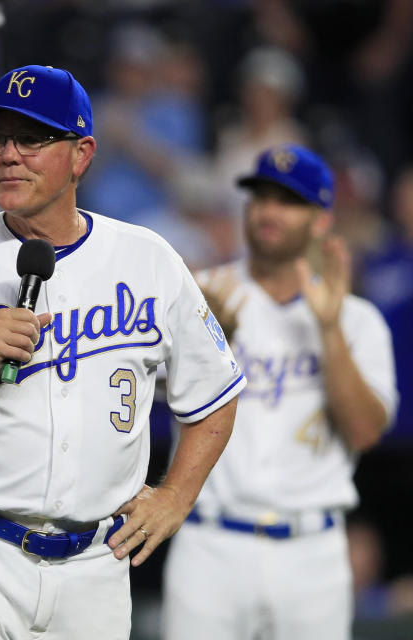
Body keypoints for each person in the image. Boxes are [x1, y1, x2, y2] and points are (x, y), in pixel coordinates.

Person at [0, 65, 244, 638]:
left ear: (81, 154)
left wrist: (175, 498)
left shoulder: (148, 260)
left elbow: (216, 393)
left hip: (96, 563)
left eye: (32, 139)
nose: (9, 155)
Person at [162, 145, 399, 640]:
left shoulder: (356, 319)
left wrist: (329, 330)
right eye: (261, 197)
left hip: (311, 552)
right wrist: (204, 347)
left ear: (319, 220)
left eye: (288, 201)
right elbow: (148, 401)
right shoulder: (204, 297)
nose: (269, 211)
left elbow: (363, 431)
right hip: (211, 543)